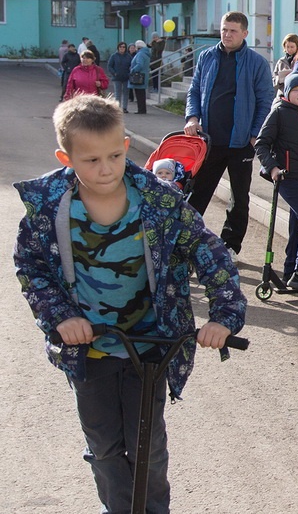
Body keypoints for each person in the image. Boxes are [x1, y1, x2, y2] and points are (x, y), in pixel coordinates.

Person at [13, 96, 246, 514]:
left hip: (150, 345)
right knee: (104, 447)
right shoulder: (49, 206)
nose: (105, 168)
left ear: (126, 144)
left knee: (148, 448)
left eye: (116, 155)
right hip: (90, 348)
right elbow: (31, 266)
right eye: (91, 160)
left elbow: (209, 251)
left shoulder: (158, 200)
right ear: (65, 158)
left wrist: (224, 315)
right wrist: (60, 316)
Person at [184, 11, 273, 261]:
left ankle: (230, 246)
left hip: (241, 143)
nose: (227, 34)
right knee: (198, 193)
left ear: (244, 33)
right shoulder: (207, 57)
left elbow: (266, 100)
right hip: (209, 142)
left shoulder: (256, 63)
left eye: (232, 30)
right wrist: (192, 118)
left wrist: (255, 134)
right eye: (224, 29)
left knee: (239, 198)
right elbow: (194, 91)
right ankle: (188, 242)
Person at [255, 72, 298, 291]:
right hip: (288, 178)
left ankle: (291, 272)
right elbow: (261, 144)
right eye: (296, 90)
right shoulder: (279, 113)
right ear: (287, 93)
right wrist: (273, 167)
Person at [107, 41, 132, 112]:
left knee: (126, 93)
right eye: (120, 47)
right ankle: (117, 108)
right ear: (118, 48)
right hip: (117, 77)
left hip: (126, 77)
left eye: (123, 47)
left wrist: (129, 73)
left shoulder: (128, 56)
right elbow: (109, 66)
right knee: (117, 93)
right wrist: (114, 73)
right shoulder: (114, 56)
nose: (122, 48)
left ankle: (124, 108)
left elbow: (131, 65)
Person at [128, 39, 151, 114]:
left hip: (139, 76)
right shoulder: (146, 53)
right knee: (142, 93)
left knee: (139, 94)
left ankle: (141, 109)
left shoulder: (140, 54)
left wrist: (132, 70)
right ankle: (142, 109)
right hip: (144, 75)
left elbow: (139, 64)